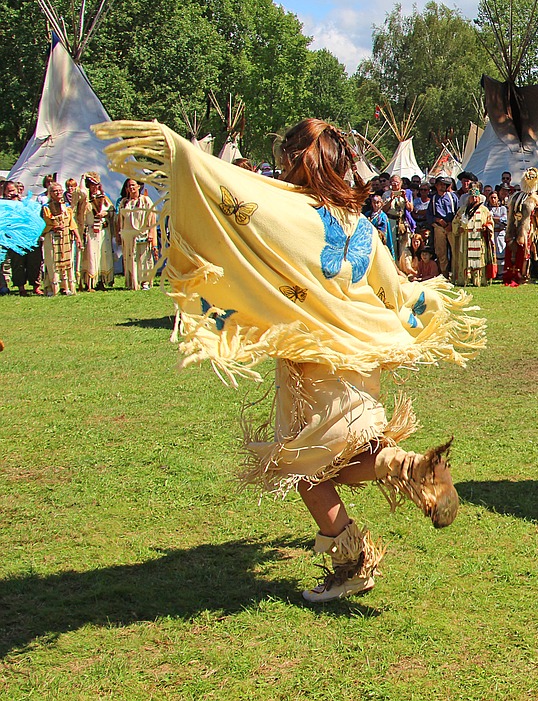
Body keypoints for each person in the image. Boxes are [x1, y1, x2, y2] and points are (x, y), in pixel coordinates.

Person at [96, 117, 483, 602]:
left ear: (297, 161)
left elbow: (227, 197)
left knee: (304, 470)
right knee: (346, 457)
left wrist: (180, 151)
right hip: (361, 355)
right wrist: (418, 313)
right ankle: (411, 469)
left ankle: (353, 560)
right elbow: (392, 288)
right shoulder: (360, 222)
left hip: (314, 361)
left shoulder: (286, 211)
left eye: (284, 159)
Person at [503, 168, 538, 286]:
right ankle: (514, 274)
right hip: (515, 226)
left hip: (528, 229)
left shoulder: (535, 198)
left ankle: (523, 275)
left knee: (525, 252)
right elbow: (510, 213)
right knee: (515, 250)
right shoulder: (515, 197)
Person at [76, 172, 115, 291]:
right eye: (92, 185)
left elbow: (112, 210)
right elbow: (80, 214)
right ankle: (89, 282)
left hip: (103, 231)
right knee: (91, 257)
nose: (94, 187)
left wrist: (106, 213)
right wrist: (82, 178)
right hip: (91, 232)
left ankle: (101, 281)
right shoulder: (85, 199)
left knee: (104, 256)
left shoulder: (104, 197)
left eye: (96, 185)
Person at [39, 180, 78, 296]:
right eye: (55, 191)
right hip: (52, 237)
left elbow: (72, 223)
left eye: (60, 191)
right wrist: (54, 227)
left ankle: (66, 287)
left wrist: (78, 237)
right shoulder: (46, 207)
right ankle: (52, 288)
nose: (58, 193)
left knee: (66, 261)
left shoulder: (66, 207)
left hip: (65, 237)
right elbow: (44, 223)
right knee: (53, 262)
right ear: (50, 193)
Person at [116, 178, 156, 290]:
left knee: (143, 258)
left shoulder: (146, 200)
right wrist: (119, 234)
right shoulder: (124, 202)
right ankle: (133, 282)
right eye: (129, 186)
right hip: (128, 235)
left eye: (133, 185)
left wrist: (151, 233)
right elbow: (120, 220)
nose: (131, 188)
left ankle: (145, 282)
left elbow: (152, 218)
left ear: (139, 186)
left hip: (142, 233)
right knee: (130, 259)